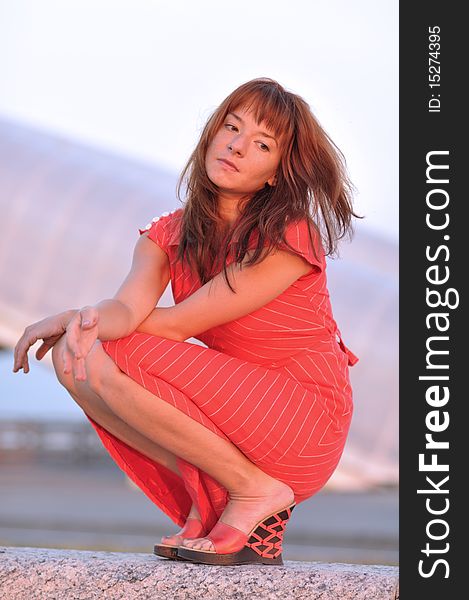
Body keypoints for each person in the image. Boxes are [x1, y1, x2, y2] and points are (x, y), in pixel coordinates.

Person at [13, 77, 361, 566]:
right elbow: (126, 311)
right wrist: (86, 318)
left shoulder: (288, 234)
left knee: (106, 348)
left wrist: (76, 319)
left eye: (261, 144)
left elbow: (176, 325)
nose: (238, 147)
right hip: (238, 407)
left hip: (303, 415)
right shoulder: (167, 233)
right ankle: (213, 496)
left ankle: (253, 490)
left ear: (275, 175)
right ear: (211, 133)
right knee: (78, 358)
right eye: (231, 128)